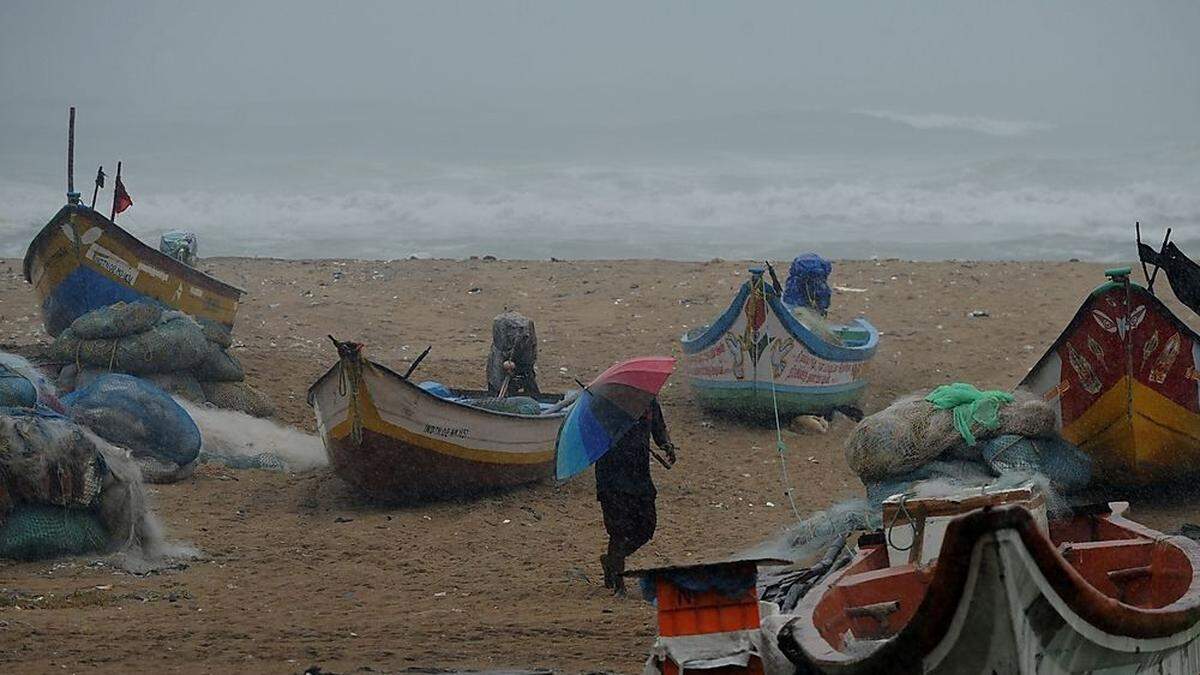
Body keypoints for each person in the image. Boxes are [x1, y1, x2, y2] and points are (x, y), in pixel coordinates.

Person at [595, 397, 677, 595]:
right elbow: (596, 437)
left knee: (647, 526)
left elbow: (659, 429)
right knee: (619, 530)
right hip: (611, 477)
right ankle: (619, 583)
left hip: (639, 476)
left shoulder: (649, 402)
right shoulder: (607, 404)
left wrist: (666, 444)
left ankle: (612, 561)